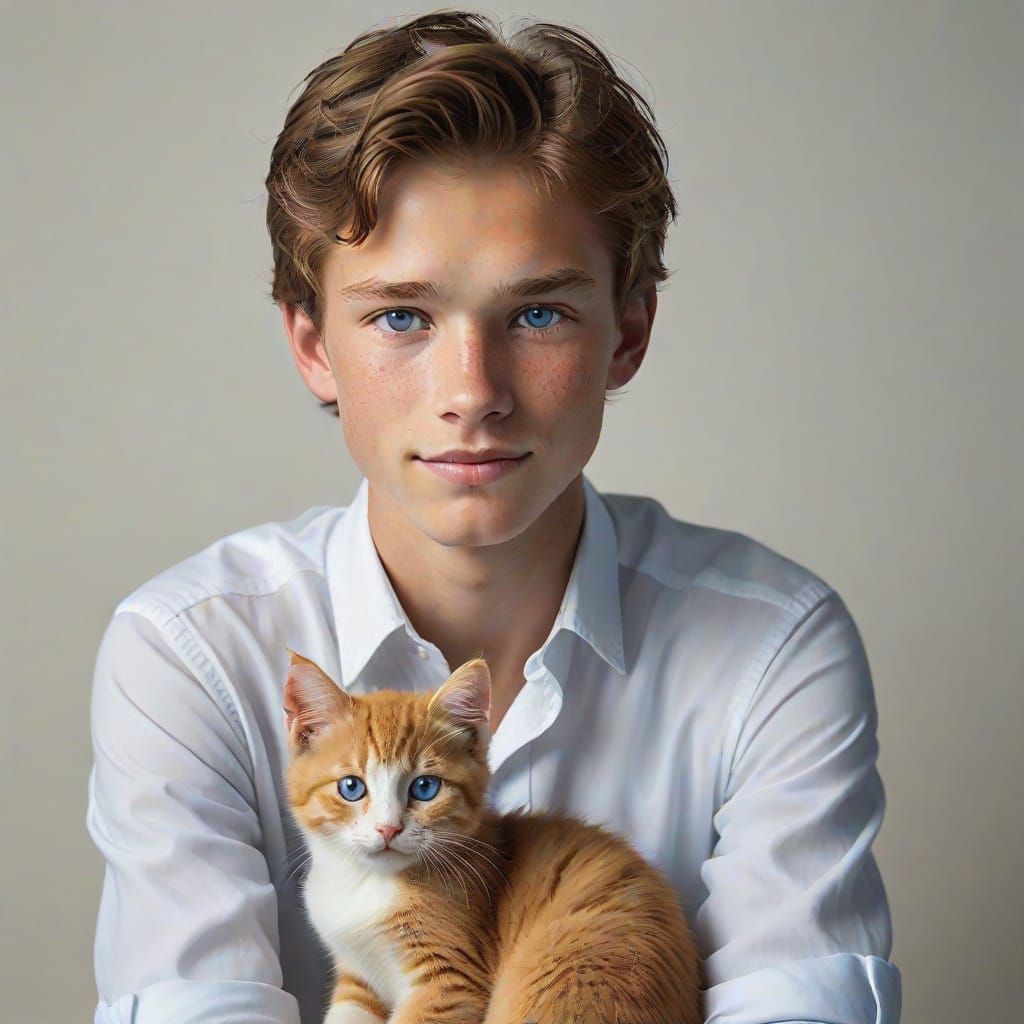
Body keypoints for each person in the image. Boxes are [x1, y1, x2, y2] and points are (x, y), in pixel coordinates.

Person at [86, 9, 901, 1023]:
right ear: (310, 344)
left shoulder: (773, 646)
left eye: (537, 313)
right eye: (400, 316)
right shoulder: (186, 655)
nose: (471, 390)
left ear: (627, 333)